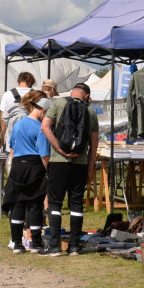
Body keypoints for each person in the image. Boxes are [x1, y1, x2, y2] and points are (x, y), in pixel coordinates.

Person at [38, 82, 99, 257]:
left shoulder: (58, 103)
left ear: (72, 92)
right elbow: (94, 145)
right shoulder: (91, 112)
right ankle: (74, 246)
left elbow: (45, 126)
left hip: (58, 161)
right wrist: (90, 167)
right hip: (80, 164)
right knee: (76, 204)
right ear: (86, 96)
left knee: (55, 203)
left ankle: (55, 246)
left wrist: (59, 147)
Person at [4, 91, 51, 254]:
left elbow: (12, 148)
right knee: (35, 205)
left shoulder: (18, 124)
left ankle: (17, 243)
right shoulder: (41, 128)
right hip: (35, 165)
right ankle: (36, 243)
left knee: (17, 203)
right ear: (43, 110)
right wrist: (49, 173)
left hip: (17, 165)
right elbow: (44, 153)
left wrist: (12, 168)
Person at [0, 71, 36, 145]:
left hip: (12, 135)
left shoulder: (7, 94)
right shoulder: (36, 94)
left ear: (18, 82)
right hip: (31, 136)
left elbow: (3, 119)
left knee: (13, 155)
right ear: (30, 82)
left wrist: (5, 135)